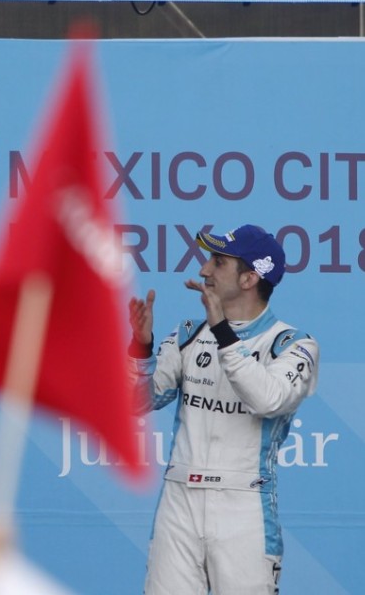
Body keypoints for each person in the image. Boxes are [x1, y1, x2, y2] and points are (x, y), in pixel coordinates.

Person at [128, 224, 320, 594]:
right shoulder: (187, 334)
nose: (203, 270)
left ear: (249, 278)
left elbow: (267, 399)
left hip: (244, 506)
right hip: (179, 501)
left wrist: (222, 332)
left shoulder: (293, 345)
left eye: (218, 262)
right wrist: (141, 349)